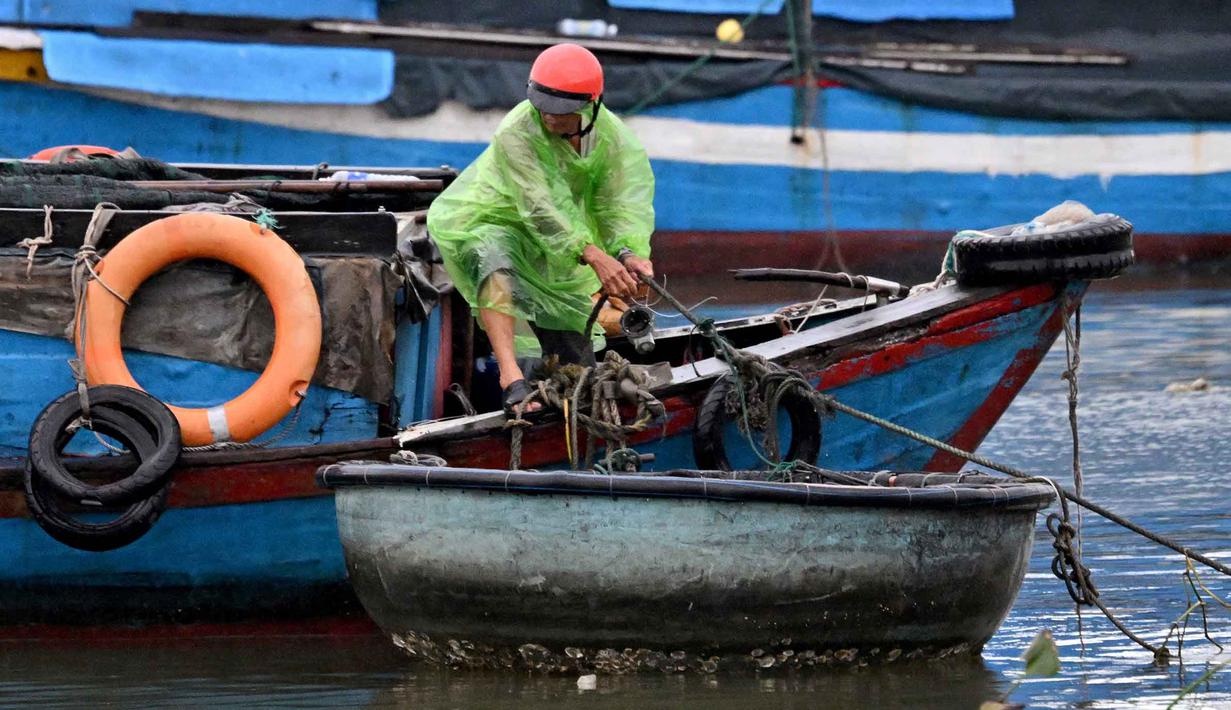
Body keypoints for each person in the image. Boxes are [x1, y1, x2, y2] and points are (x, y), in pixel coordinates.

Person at [427, 43, 655, 415]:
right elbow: (540, 206)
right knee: (491, 255)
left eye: (561, 111)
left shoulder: (614, 139)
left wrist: (629, 252)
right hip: (493, 217)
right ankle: (511, 378)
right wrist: (594, 254)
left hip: (563, 239)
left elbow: (621, 203)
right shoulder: (516, 130)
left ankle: (569, 399)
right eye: (542, 107)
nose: (549, 117)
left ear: (590, 104)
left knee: (576, 364)